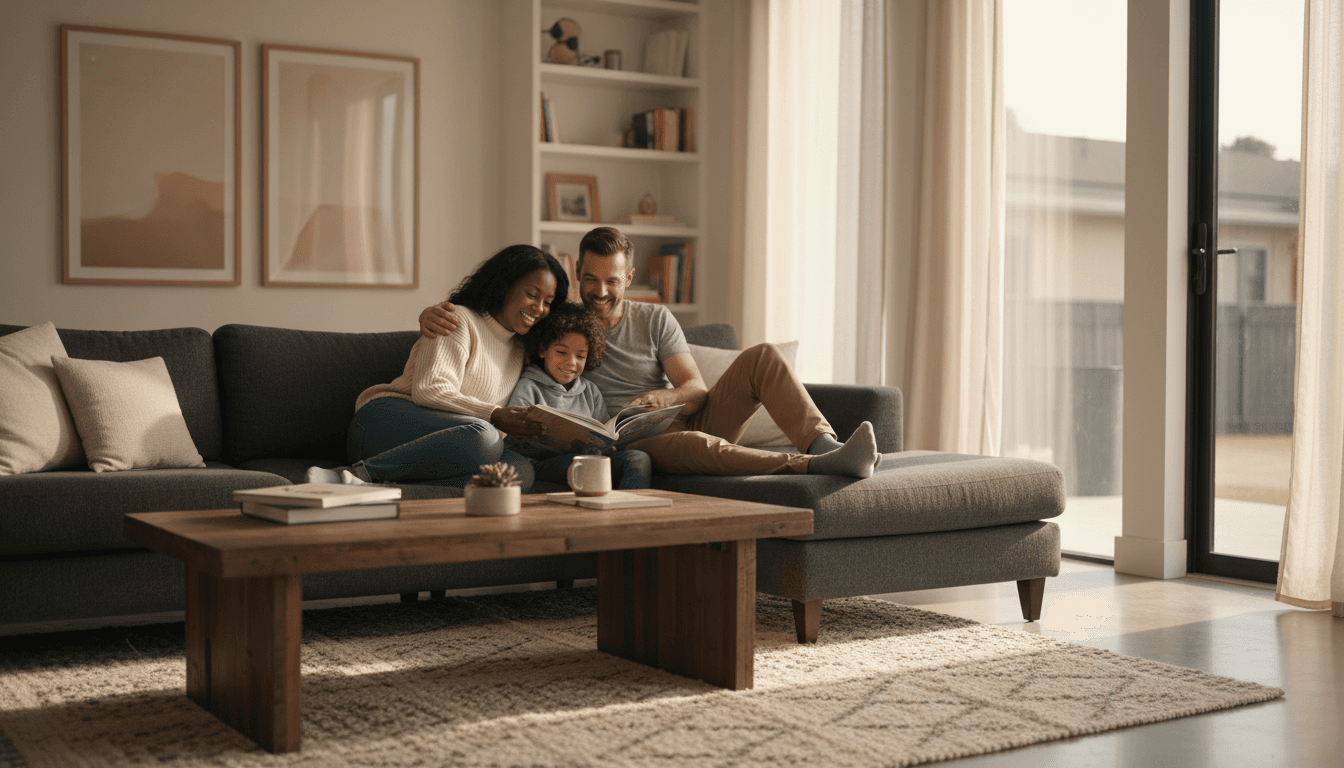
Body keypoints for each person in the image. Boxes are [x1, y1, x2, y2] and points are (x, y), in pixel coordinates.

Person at [419, 227, 880, 478]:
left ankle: (826, 446)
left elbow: (696, 390)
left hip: (680, 415)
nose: (601, 292)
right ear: (578, 273)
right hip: (631, 438)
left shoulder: (655, 318)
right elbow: (503, 321)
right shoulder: (560, 322)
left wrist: (664, 399)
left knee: (761, 357)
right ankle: (814, 467)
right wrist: (431, 315)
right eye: (592, 279)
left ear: (630, 277)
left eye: (612, 281)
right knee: (694, 444)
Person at [306, 244, 565, 490]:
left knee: (518, 473)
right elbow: (429, 390)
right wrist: (496, 415)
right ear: (505, 285)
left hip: (449, 444)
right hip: (382, 423)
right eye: (532, 294)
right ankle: (350, 476)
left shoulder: (522, 348)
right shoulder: (454, 319)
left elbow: (576, 331)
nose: (540, 308)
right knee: (485, 436)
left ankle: (379, 486)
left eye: (548, 301)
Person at [505, 302, 653, 490]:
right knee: (592, 460)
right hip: (544, 463)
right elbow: (514, 436)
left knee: (639, 458)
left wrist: (614, 438)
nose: (571, 362)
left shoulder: (590, 391)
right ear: (543, 349)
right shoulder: (529, 387)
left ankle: (630, 514)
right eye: (561, 352)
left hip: (591, 458)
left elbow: (605, 433)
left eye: (581, 356)